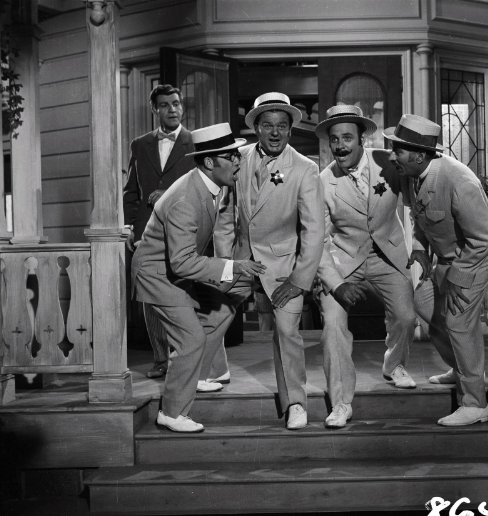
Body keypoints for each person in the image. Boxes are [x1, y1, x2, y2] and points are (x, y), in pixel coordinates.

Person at [131, 123, 265, 433]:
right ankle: (172, 412)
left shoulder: (211, 184)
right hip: (157, 274)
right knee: (190, 340)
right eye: (230, 156)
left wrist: (231, 271)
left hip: (178, 268)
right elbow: (181, 263)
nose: (238, 161)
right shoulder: (185, 199)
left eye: (237, 154)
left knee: (223, 307)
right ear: (208, 162)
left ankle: (195, 376)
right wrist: (233, 267)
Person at [205, 92, 324, 430]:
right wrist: (224, 262)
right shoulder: (238, 159)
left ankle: (295, 403)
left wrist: (300, 279)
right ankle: (207, 375)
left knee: (287, 332)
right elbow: (225, 215)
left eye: (282, 126)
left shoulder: (305, 169)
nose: (275, 132)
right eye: (268, 125)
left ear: (290, 130)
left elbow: (314, 231)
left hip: (284, 266)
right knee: (211, 316)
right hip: (241, 258)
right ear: (256, 128)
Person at [385, 114, 488, 427]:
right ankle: (460, 367)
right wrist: (419, 249)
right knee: (424, 303)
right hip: (449, 255)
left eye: (398, 150)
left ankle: (476, 404)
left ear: (420, 155)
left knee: (456, 319)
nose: (392, 156)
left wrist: (456, 280)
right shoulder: (412, 174)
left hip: (479, 254)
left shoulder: (459, 181)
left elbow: (483, 239)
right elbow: (420, 217)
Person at [314, 104, 417, 429]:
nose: (340, 145)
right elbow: (317, 241)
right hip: (343, 260)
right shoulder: (322, 182)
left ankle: (394, 364)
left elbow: (418, 204)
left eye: (347, 138)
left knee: (406, 316)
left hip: (388, 254)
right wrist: (335, 282)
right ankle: (340, 402)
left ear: (362, 139)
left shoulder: (388, 162)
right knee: (333, 326)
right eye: (334, 139)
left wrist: (420, 247)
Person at [123, 84, 198, 380]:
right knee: (151, 294)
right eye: (165, 105)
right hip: (147, 230)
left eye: (176, 103)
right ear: (155, 109)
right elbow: (131, 191)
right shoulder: (140, 145)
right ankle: (160, 359)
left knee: (182, 294)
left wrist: (167, 194)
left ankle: (183, 358)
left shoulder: (195, 142)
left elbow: (201, 185)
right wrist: (131, 226)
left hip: (184, 229)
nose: (172, 109)